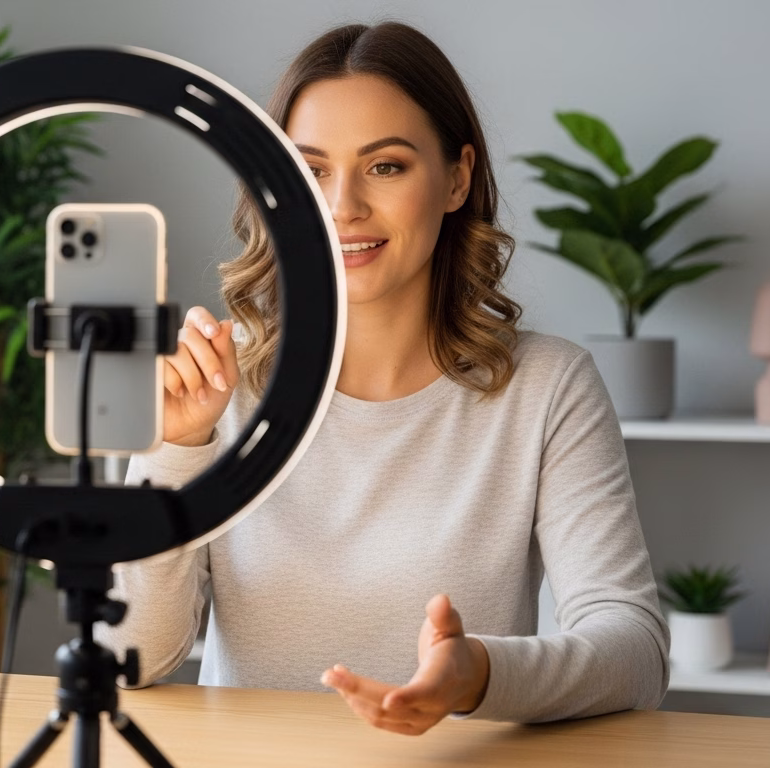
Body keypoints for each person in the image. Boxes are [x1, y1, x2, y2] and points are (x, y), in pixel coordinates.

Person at [95, 21, 669, 735]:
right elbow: (129, 657)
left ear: (457, 178)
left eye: (386, 166)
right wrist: (177, 449)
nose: (343, 207)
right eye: (310, 171)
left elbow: (636, 649)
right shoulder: (216, 382)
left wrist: (480, 676)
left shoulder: (546, 386)